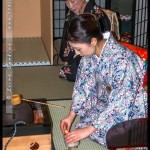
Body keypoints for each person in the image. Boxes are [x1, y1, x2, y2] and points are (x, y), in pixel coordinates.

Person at [60, 13, 147, 148]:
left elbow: (120, 104)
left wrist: (88, 130)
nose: (76, 53)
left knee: (104, 134)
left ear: (93, 41)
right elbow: (82, 87)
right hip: (110, 100)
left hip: (132, 105)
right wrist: (71, 115)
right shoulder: (89, 55)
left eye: (78, 49)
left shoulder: (122, 60)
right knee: (82, 125)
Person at [59, 0, 111, 82]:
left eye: (72, 1)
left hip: (93, 52)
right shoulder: (71, 14)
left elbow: (104, 41)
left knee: (75, 72)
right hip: (79, 51)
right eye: (66, 3)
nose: (70, 6)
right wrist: (66, 60)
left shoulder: (97, 14)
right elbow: (67, 38)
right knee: (67, 70)